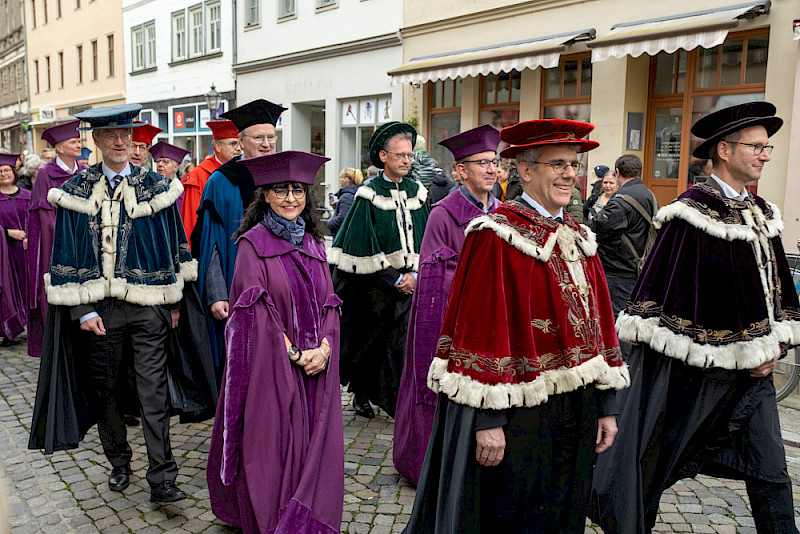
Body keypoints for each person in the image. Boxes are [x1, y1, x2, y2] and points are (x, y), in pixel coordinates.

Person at [403, 119, 629, 533]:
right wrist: (489, 421)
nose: (569, 174)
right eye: (556, 164)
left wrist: (607, 406)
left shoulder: (579, 236)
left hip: (576, 408)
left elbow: (600, 328)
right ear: (525, 171)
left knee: (565, 512)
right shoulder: (496, 235)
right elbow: (479, 332)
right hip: (520, 412)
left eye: (573, 164)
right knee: (512, 515)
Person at [591, 102, 800, 534]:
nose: (765, 155)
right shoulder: (690, 214)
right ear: (724, 150)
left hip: (754, 381)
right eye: (756, 146)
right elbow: (666, 302)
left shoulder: (761, 213)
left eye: (768, 147)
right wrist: (741, 352)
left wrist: (773, 345)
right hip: (697, 379)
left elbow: (776, 293)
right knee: (653, 465)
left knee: (772, 475)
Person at [28, 104, 198, 503]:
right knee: (106, 392)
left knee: (153, 392)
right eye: (111, 136)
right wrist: (81, 309)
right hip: (100, 310)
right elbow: (64, 251)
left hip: (149, 303)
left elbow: (176, 242)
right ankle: (119, 461)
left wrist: (174, 302)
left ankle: (163, 477)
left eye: (126, 135)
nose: (121, 142)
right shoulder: (75, 191)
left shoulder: (157, 187)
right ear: (98, 142)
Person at [206, 150, 344, 534]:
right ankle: (276, 516)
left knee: (314, 440)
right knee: (275, 446)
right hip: (275, 369)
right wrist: (297, 355)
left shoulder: (315, 246)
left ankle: (309, 512)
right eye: (280, 190)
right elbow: (254, 317)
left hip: (316, 366)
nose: (290, 198)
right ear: (264, 195)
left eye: (298, 190)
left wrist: (325, 349)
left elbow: (331, 304)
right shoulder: (253, 246)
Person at [393, 124, 502, 485]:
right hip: (452, 327)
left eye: (494, 162)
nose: (491, 169)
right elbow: (435, 281)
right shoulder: (444, 215)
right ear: (460, 171)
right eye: (481, 163)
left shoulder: (504, 214)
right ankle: (430, 463)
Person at [330, 121, 430, 418]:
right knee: (368, 342)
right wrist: (394, 277)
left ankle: (398, 398)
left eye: (409, 155)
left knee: (401, 345)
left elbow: (427, 236)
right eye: (399, 155)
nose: (406, 161)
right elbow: (362, 242)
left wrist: (414, 274)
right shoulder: (368, 194)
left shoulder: (419, 192)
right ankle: (362, 393)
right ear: (383, 156)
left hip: (411, 283)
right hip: (374, 286)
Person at [193, 99, 286, 378]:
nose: (267, 143)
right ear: (241, 142)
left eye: (271, 137)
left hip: (280, 281)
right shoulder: (222, 180)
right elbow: (210, 245)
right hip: (237, 281)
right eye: (259, 137)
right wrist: (217, 293)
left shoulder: (284, 175)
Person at [26, 120, 86, 358]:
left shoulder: (84, 173)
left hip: (84, 240)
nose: (79, 144)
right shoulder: (45, 175)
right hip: (56, 243)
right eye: (74, 142)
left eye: (79, 140)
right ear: (59, 148)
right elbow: (42, 216)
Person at [590, 154, 657, 316]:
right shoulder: (648, 194)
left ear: (618, 172)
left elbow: (598, 227)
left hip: (618, 271)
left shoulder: (621, 200)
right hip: (637, 267)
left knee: (616, 323)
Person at [180, 119, 240, 245]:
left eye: (240, 143)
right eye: (233, 144)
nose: (239, 149)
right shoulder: (200, 174)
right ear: (217, 146)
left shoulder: (243, 171)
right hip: (211, 244)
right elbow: (191, 220)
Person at [0, 153, 30, 346]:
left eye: (7, 171)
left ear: (14, 172)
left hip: (27, 252)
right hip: (4, 254)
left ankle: (31, 326)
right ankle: (8, 329)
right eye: (0, 172)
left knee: (28, 289)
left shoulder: (28, 195)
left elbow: (36, 221)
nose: (3, 174)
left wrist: (30, 237)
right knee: (8, 291)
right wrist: (7, 232)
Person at [149, 140, 190, 213]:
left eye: (165, 162)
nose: (160, 164)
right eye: (158, 161)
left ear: (175, 167)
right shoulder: (148, 190)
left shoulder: (184, 196)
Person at [327, 167, 362, 238]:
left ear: (346, 179)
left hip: (343, 237)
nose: (340, 180)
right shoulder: (357, 192)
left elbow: (343, 217)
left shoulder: (347, 197)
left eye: (341, 177)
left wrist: (330, 223)